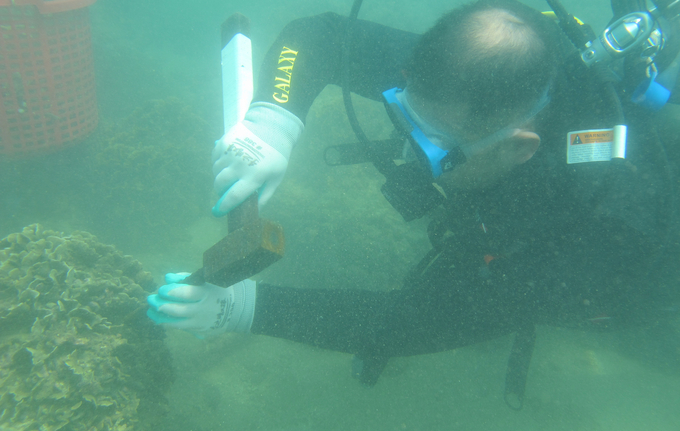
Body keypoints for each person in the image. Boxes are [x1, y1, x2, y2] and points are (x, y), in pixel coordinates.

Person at [147, 0, 679, 402]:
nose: (410, 153)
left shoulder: (601, 231)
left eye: (437, 151)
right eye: (403, 117)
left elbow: (420, 322)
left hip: (637, 299)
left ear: (519, 147)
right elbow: (319, 37)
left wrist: (246, 309)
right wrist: (271, 123)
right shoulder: (465, 72)